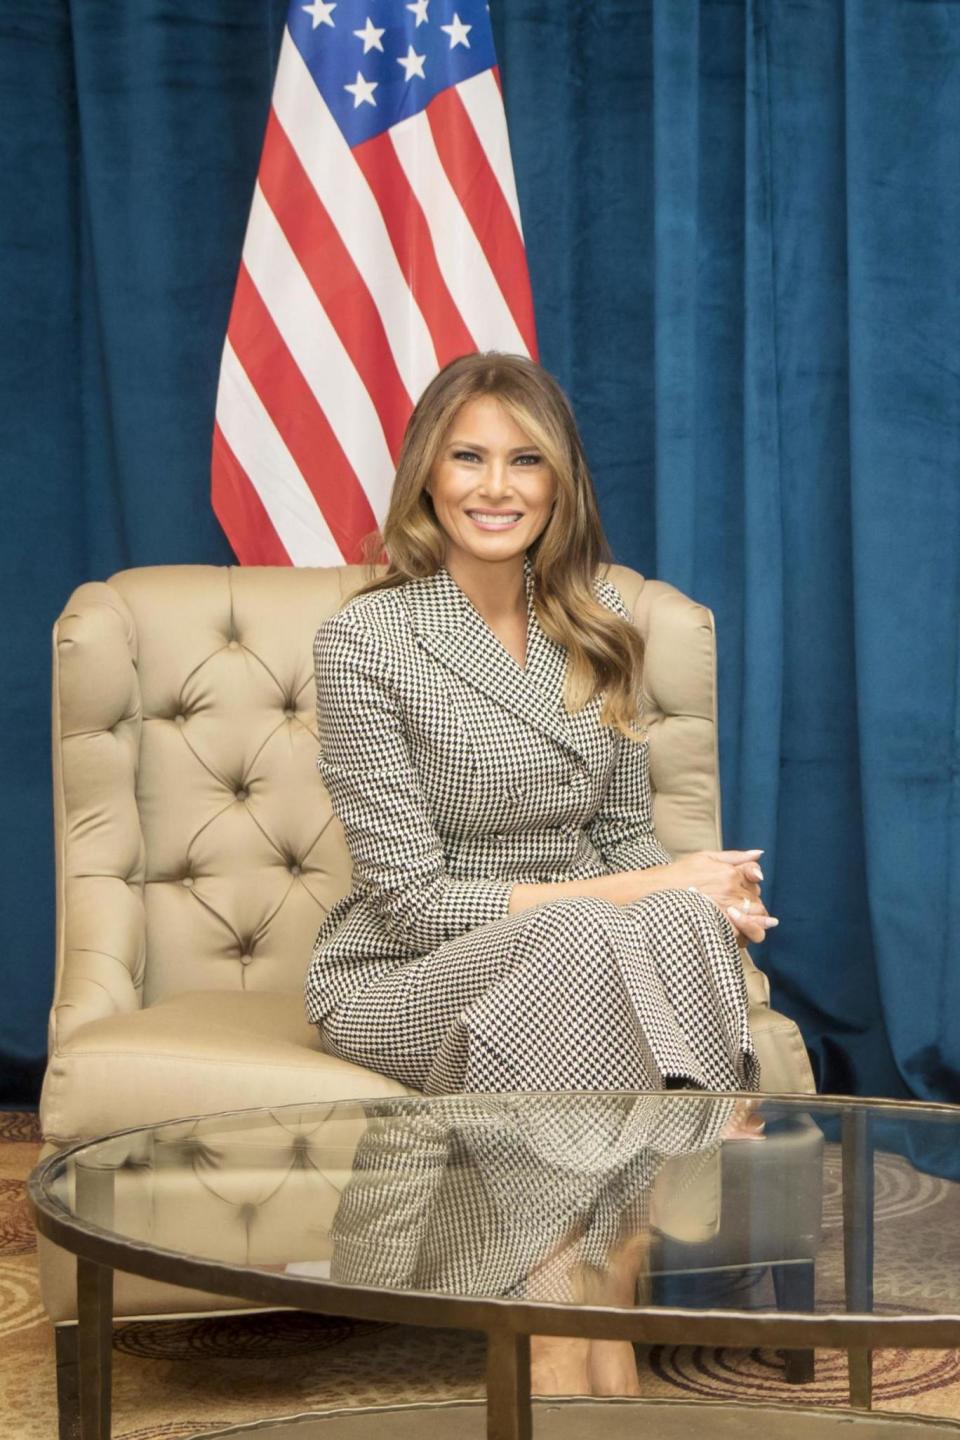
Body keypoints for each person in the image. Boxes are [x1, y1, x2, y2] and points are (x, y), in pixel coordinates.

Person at [305, 350, 775, 1394]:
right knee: (605, 922)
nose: (496, 487)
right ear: (427, 473)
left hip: (576, 960)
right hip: (405, 973)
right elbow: (412, 901)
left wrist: (707, 907)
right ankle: (582, 1302)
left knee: (665, 920)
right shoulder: (366, 641)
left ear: (561, 481)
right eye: (467, 458)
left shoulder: (597, 618)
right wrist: (650, 892)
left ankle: (587, 1282)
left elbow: (619, 837)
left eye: (526, 461)